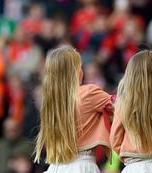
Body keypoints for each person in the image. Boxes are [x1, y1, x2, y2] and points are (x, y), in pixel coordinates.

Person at [34, 45, 113, 173]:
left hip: (55, 167)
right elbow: (124, 108)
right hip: (82, 166)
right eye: (79, 66)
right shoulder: (88, 93)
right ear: (74, 71)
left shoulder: (49, 101)